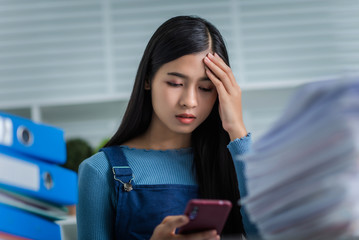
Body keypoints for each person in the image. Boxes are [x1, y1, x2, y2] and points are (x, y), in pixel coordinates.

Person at [77, 15, 257, 240]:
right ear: (148, 79)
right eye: (175, 83)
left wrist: (236, 128)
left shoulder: (234, 163)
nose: (189, 101)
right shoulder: (99, 171)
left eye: (205, 87)